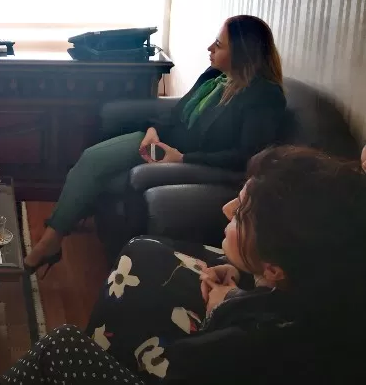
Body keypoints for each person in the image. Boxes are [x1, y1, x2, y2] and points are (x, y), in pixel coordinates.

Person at [0, 146, 366, 384]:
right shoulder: (330, 280)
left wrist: (224, 308)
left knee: (62, 345)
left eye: (241, 214)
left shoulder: (240, 347)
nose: (226, 209)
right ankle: (110, 350)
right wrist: (244, 277)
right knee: (142, 253)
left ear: (274, 268)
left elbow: (213, 357)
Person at [26, 15, 286, 274]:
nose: (210, 48)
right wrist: (153, 131)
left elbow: (246, 157)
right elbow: (177, 115)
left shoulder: (263, 96)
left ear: (242, 52)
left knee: (93, 165)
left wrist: (182, 159)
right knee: (91, 161)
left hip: (182, 160)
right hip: (160, 144)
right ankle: (54, 237)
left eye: (219, 45)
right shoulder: (214, 76)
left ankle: (49, 242)